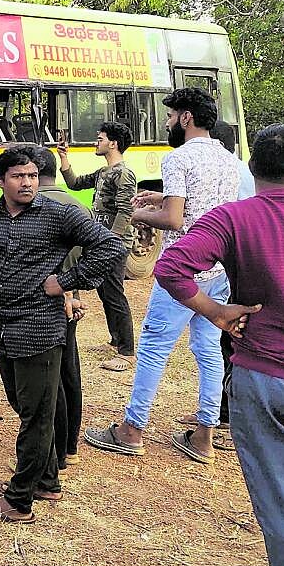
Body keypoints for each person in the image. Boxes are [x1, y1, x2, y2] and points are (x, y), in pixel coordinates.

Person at [152, 124, 284, 566]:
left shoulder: (232, 218)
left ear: (253, 168)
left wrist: (217, 312)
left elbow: (171, 267)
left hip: (265, 381)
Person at [0, 147, 124, 525]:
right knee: (24, 405)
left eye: (32, 175)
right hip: (2, 327)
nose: (27, 183)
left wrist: (67, 281)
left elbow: (111, 246)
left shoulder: (57, 214)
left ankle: (19, 501)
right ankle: (47, 480)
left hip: (40, 329)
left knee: (36, 416)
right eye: (18, 176)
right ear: (0, 181)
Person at [85, 88, 241, 464]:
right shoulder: (229, 160)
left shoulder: (178, 158)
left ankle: (132, 429)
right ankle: (204, 435)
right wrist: (158, 198)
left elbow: (174, 220)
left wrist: (135, 214)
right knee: (208, 349)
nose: (168, 123)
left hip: (181, 271)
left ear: (186, 117)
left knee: (154, 348)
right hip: (217, 269)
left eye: (170, 117)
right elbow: (206, 207)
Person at [58, 121, 137, 368]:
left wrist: (111, 241)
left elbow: (126, 211)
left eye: (100, 138)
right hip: (103, 243)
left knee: (114, 294)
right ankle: (116, 340)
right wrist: (64, 158)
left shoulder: (124, 173)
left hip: (113, 244)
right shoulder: (104, 172)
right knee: (105, 293)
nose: (96, 142)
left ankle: (127, 352)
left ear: (113, 143)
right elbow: (74, 183)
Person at [31, 146, 90, 474]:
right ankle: (71, 447)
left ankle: (54, 452)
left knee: (48, 378)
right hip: (72, 294)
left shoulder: (35, 207)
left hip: (44, 299)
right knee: (70, 369)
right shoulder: (78, 206)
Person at [211, 119, 254, 445]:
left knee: (229, 341)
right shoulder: (244, 172)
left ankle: (225, 415)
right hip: (240, 268)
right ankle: (221, 411)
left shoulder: (225, 172)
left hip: (231, 270)